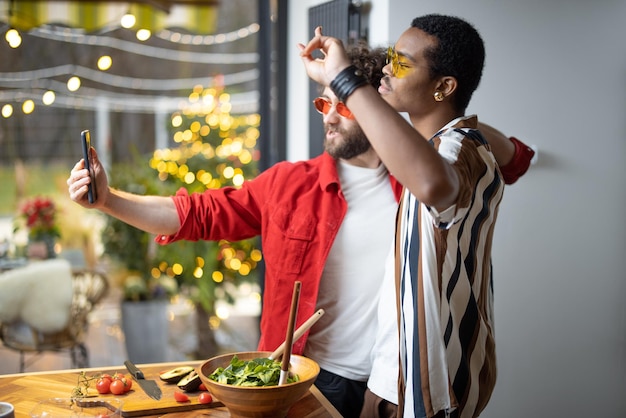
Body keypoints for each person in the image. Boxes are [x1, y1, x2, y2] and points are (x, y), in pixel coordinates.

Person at [68, 44, 531, 416]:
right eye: (323, 102)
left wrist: (511, 150)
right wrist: (110, 199)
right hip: (303, 379)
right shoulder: (289, 183)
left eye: (343, 106)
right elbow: (194, 213)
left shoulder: (420, 177)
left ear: (377, 109)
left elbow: (494, 151)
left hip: (393, 384)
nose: (327, 116)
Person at [299, 13, 514, 418]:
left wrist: (346, 77)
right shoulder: (433, 148)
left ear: (443, 86)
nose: (385, 69)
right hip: (397, 381)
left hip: (429, 390)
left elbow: (435, 185)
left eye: (401, 63)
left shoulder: (458, 148)